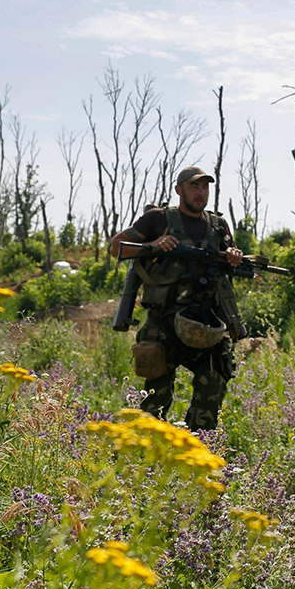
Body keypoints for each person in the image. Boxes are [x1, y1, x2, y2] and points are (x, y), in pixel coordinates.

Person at [108, 166, 245, 431]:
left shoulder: (218, 226)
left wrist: (234, 255)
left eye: (205, 187)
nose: (200, 192)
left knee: (213, 387)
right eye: (194, 186)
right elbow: (117, 246)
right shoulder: (158, 219)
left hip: (206, 323)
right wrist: (153, 245)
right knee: (155, 401)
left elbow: (229, 257)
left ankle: (197, 451)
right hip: (163, 324)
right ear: (179, 189)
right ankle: (145, 460)